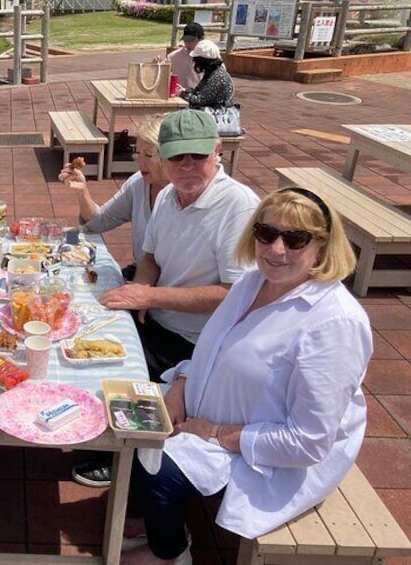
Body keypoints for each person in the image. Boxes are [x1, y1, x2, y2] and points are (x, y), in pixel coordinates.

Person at [121, 187, 372, 565]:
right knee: (126, 409)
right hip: (207, 417)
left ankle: (170, 552)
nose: (276, 249)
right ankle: (157, 519)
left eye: (295, 239)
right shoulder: (253, 282)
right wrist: (181, 387)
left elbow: (310, 443)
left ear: (322, 245)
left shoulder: (334, 323)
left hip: (265, 452)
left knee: (156, 466)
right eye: (266, 234)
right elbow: (214, 350)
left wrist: (219, 435)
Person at [72, 109, 260, 488]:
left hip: (198, 347)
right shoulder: (168, 197)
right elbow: (152, 257)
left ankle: (121, 458)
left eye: (198, 156)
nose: (187, 166)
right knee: (82, 335)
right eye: (177, 157)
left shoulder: (238, 206)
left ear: (218, 151)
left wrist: (149, 294)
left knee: (107, 367)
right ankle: (108, 438)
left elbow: (232, 294)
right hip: (159, 321)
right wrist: (140, 299)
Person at [58, 115, 168, 281]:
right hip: (140, 276)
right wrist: (82, 190)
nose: (140, 161)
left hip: (166, 289)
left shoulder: (183, 196)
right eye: (138, 153)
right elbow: (99, 221)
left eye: (148, 154)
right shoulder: (139, 183)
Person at [177, 39, 235, 109]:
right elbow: (200, 92)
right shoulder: (212, 72)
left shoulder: (217, 77)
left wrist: (183, 94)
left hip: (217, 115)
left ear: (202, 61)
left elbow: (200, 101)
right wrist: (185, 91)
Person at [156, 22, 203, 91]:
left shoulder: (209, 57)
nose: (188, 43)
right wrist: (156, 65)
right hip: (180, 96)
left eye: (191, 40)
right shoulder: (173, 57)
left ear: (200, 39)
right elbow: (161, 73)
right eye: (186, 40)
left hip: (201, 97)